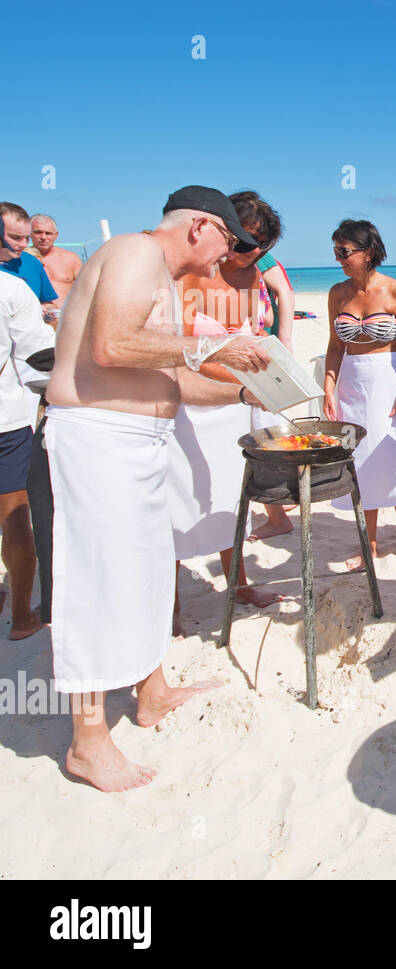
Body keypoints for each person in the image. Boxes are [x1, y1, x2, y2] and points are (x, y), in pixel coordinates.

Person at [44, 184, 269, 791]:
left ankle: (152, 690)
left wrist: (247, 393)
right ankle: (87, 742)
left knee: (145, 571)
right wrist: (216, 341)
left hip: (140, 443)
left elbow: (175, 382)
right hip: (98, 437)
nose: (231, 254)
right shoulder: (133, 253)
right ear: (200, 226)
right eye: (229, 239)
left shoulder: (163, 281)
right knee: (98, 578)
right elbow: (110, 346)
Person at [168, 196, 283, 632]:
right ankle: (172, 604)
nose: (252, 252)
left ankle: (239, 583)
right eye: (247, 243)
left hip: (235, 400)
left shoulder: (252, 274)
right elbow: (179, 350)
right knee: (181, 498)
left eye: (260, 246)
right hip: (190, 400)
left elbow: (249, 334)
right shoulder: (188, 272)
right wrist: (238, 377)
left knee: (231, 495)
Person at [322, 219, 396, 571]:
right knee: (361, 462)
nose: (339, 258)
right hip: (352, 385)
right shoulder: (337, 293)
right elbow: (334, 347)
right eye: (336, 251)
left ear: (368, 252)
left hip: (392, 380)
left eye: (345, 251)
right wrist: (328, 387)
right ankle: (367, 543)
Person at [230, 191, 298, 542]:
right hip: (235, 361)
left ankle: (276, 509)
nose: (252, 249)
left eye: (259, 243)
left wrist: (283, 340)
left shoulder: (256, 262)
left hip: (256, 358)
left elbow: (283, 294)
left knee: (265, 433)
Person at [0, 270, 55, 639]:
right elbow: (40, 353)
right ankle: (21, 616)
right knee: (16, 518)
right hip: (6, 420)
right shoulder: (9, 287)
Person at [0, 203, 60, 323]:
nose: (23, 244)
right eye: (15, 237)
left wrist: (43, 310)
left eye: (27, 238)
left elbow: (49, 304)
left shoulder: (33, 263)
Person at [28, 214, 82, 303]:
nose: (43, 237)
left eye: (48, 233)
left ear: (56, 235)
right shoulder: (21, 260)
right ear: (29, 233)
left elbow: (86, 290)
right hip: (35, 315)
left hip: (65, 314)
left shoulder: (71, 259)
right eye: (38, 232)